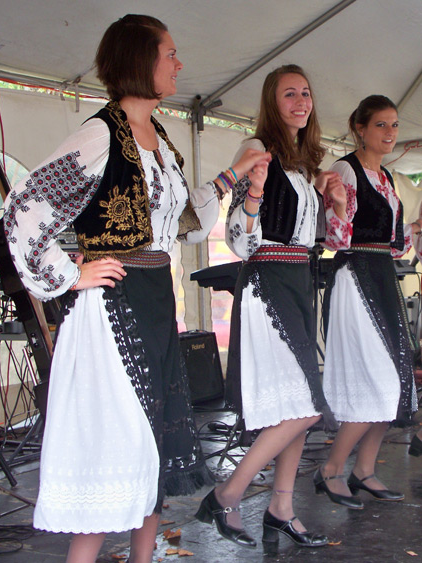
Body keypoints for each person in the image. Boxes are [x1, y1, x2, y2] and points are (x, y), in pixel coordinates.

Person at [3, 15, 270, 563]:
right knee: (118, 447)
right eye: (170, 53)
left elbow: (178, 221)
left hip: (154, 302)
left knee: (152, 450)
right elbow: (23, 211)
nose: (179, 64)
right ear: (139, 60)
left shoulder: (160, 135)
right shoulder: (101, 133)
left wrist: (236, 174)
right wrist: (70, 275)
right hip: (114, 311)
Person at [195, 64, 343, 549]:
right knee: (306, 405)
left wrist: (334, 200)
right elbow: (239, 240)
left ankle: (281, 508)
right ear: (271, 101)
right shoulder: (255, 151)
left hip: (299, 279)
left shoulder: (305, 163)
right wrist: (255, 189)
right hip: (267, 284)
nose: (301, 101)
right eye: (289, 94)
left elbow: (316, 238)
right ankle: (227, 493)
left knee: (296, 405)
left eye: (306, 92)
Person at [315, 95, 419, 509]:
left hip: (381, 276)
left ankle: (364, 470)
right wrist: (339, 207)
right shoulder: (346, 170)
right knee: (379, 378)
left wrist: (413, 227)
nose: (390, 133)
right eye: (381, 125)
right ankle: (331, 470)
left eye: (394, 125)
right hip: (354, 277)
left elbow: (395, 247)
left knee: (395, 380)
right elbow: (334, 239)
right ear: (360, 127)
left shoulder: (388, 180)